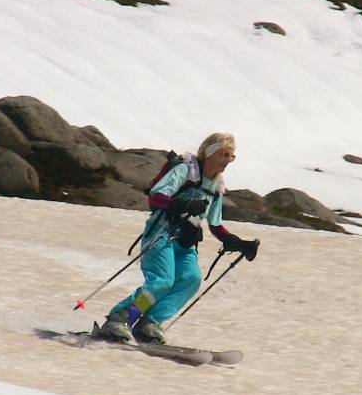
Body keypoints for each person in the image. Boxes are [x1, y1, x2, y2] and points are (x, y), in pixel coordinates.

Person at [98, 132, 259, 344]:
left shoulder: (216, 185)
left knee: (190, 279)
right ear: (210, 153)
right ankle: (121, 319)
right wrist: (182, 205)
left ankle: (150, 323)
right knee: (162, 282)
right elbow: (156, 196)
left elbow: (215, 223)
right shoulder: (186, 170)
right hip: (161, 233)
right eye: (224, 154)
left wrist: (236, 243)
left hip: (185, 241)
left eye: (232, 156)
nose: (228, 160)